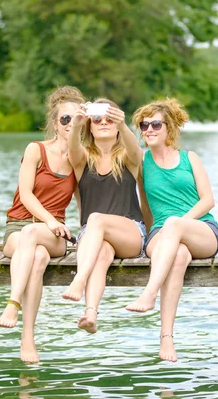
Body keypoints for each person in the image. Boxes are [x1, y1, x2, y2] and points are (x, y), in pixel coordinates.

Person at [126, 98, 218, 362]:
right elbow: (146, 206)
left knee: (173, 224)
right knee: (178, 255)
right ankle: (166, 338)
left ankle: (149, 293)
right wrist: (162, 231)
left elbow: (208, 200)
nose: (149, 129)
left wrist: (180, 225)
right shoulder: (142, 164)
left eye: (156, 124)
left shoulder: (189, 158)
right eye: (144, 125)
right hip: (161, 234)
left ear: (169, 128)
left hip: (201, 229)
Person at [0, 86, 84, 363]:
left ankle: (12, 305)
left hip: (54, 233)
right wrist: (48, 220)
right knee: (37, 255)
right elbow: (26, 194)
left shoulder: (79, 159)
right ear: (55, 124)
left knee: (36, 237)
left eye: (75, 119)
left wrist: (91, 235)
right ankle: (28, 338)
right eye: (64, 119)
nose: (70, 124)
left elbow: (84, 205)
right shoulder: (36, 150)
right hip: (18, 227)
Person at [61, 98, 146, 334]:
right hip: (95, 238)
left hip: (130, 233)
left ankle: (79, 280)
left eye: (109, 118)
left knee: (96, 219)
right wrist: (77, 123)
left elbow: (136, 152)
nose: (104, 122)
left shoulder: (128, 159)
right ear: (90, 126)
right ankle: (90, 314)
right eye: (97, 119)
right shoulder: (82, 159)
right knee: (101, 254)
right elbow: (73, 148)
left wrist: (124, 125)